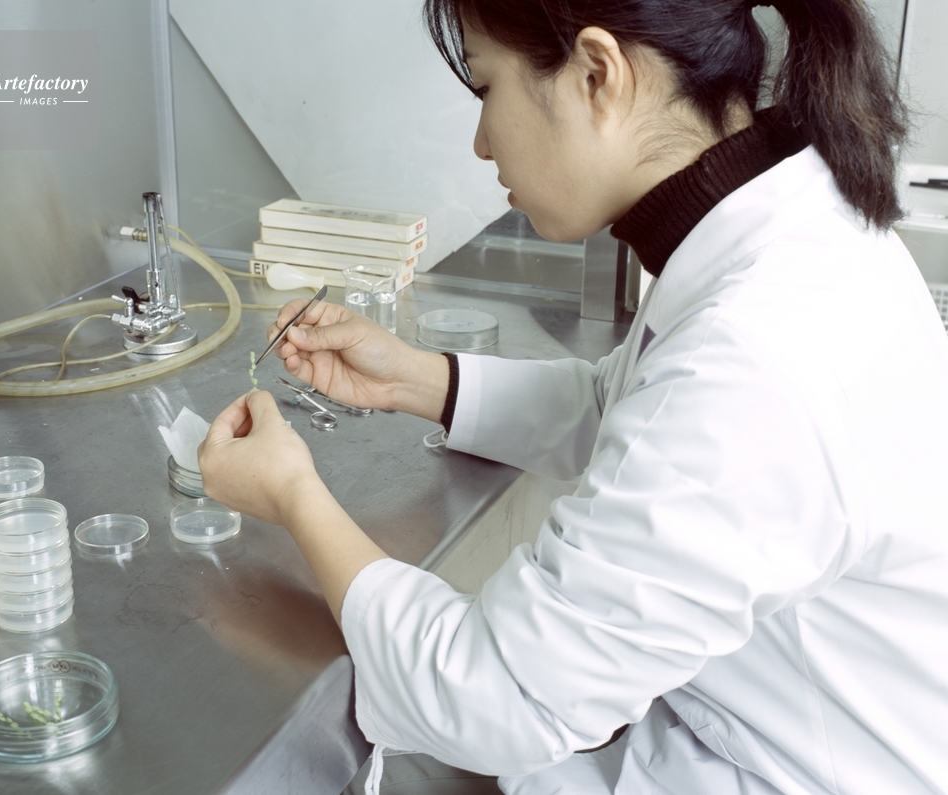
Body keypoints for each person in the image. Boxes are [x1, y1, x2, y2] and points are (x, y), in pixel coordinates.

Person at [198, 0, 948, 792]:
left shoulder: (752, 356)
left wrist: (293, 493)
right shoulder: (787, 230)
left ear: (597, 74)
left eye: (486, 89)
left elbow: (494, 698)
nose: (482, 142)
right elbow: (631, 414)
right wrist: (411, 377)